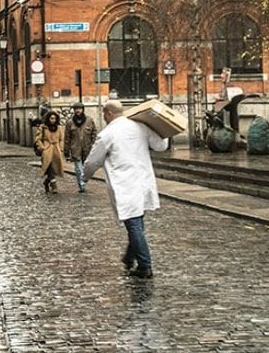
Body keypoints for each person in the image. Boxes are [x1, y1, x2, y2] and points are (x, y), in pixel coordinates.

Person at [82, 100, 170, 279]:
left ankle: (145, 266)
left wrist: (85, 176)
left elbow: (93, 161)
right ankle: (129, 257)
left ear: (107, 113)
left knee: (134, 225)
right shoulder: (140, 127)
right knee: (137, 222)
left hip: (125, 186)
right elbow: (162, 146)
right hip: (143, 182)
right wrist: (163, 129)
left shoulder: (108, 134)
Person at [64, 103, 99, 193]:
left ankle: (84, 180)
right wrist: (66, 150)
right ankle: (81, 185)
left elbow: (94, 133)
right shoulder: (70, 122)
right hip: (76, 149)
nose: (78, 110)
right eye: (76, 109)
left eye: (79, 109)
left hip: (87, 149)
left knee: (86, 168)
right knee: (78, 169)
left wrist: (94, 145)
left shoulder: (89, 120)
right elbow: (67, 137)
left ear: (83, 109)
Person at [35, 109, 66, 193]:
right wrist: (42, 148)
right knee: (49, 167)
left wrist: (61, 148)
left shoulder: (59, 128)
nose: (53, 120)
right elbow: (38, 139)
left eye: (54, 118)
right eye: (51, 118)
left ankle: (47, 182)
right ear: (48, 118)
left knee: (55, 168)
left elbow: (61, 139)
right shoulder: (43, 127)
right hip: (47, 149)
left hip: (56, 150)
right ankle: (54, 185)